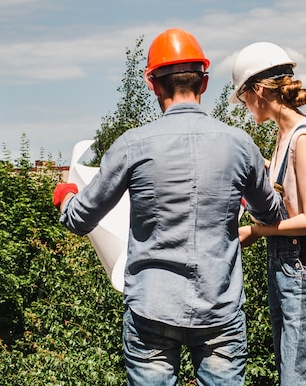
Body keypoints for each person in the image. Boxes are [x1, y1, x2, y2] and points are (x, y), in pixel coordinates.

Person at [53, 28, 282, 386]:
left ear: (152, 84)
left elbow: (80, 219)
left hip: (152, 308)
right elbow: (270, 213)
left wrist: (65, 194)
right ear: (204, 83)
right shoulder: (240, 145)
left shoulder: (133, 145)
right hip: (219, 308)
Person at [229, 41, 306, 385]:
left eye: (244, 97)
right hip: (292, 266)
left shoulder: (303, 139)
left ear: (259, 91)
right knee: (299, 374)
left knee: (298, 378)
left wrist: (257, 232)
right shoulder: (285, 136)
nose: (244, 105)